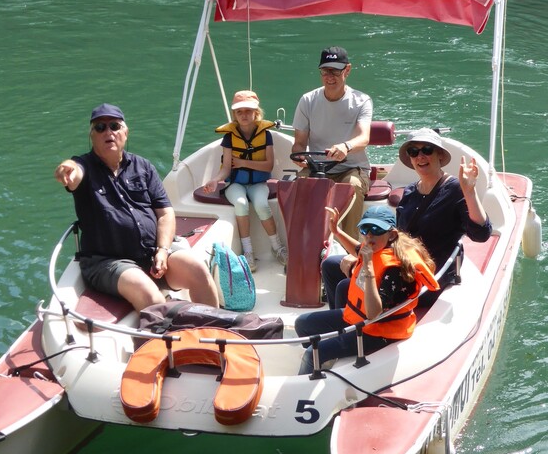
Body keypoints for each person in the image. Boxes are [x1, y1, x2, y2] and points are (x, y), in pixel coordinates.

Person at [54, 103, 219, 312]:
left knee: (198, 272)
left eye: (114, 126)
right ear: (92, 135)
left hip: (152, 254)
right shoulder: (83, 166)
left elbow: (165, 213)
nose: (108, 132)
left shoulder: (143, 167)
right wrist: (67, 170)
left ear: (125, 132)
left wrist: (162, 250)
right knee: (151, 296)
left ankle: (214, 332)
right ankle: (163, 342)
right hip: (108, 261)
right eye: (100, 128)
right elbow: (74, 171)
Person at [321, 127, 492, 308]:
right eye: (414, 151)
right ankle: (345, 319)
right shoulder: (410, 192)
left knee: (345, 286)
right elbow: (394, 241)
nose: (420, 156)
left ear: (440, 155)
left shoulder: (456, 189)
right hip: (398, 265)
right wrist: (360, 257)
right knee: (331, 266)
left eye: (427, 150)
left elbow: (481, 234)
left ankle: (351, 330)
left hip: (425, 275)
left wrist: (469, 192)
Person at [295, 206, 439, 374]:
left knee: (313, 353)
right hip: (357, 319)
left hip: (379, 332)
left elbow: (373, 314)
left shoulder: (395, 270)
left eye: (377, 230)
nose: (369, 236)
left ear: (391, 235)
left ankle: (310, 378)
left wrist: (369, 268)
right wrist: (337, 232)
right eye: (365, 229)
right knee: (302, 324)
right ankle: (325, 363)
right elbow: (357, 249)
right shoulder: (377, 247)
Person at [292, 46, 372, 239]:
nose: (330, 76)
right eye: (325, 71)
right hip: (317, 167)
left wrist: (346, 147)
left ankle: (350, 251)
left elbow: (364, 138)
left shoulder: (361, 101)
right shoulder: (307, 100)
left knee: (351, 186)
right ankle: (302, 245)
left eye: (335, 71)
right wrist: (301, 156)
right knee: (298, 185)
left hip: (352, 167)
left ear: (347, 70)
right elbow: (299, 143)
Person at [202, 90, 287, 272]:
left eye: (248, 111)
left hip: (258, 183)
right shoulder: (229, 138)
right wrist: (215, 180)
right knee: (241, 204)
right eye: (239, 112)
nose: (244, 115)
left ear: (256, 113)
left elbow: (268, 165)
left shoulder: (266, 135)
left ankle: (277, 247)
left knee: (262, 205)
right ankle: (248, 252)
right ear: (235, 115)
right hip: (235, 184)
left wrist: (241, 162)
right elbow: (226, 169)